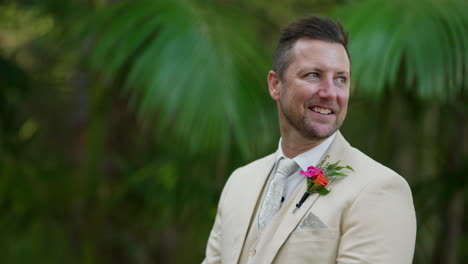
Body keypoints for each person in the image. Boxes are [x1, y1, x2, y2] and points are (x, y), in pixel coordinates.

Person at [202, 16, 416, 264]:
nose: (329, 92)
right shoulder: (239, 182)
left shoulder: (380, 190)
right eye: (314, 75)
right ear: (275, 85)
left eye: (340, 79)